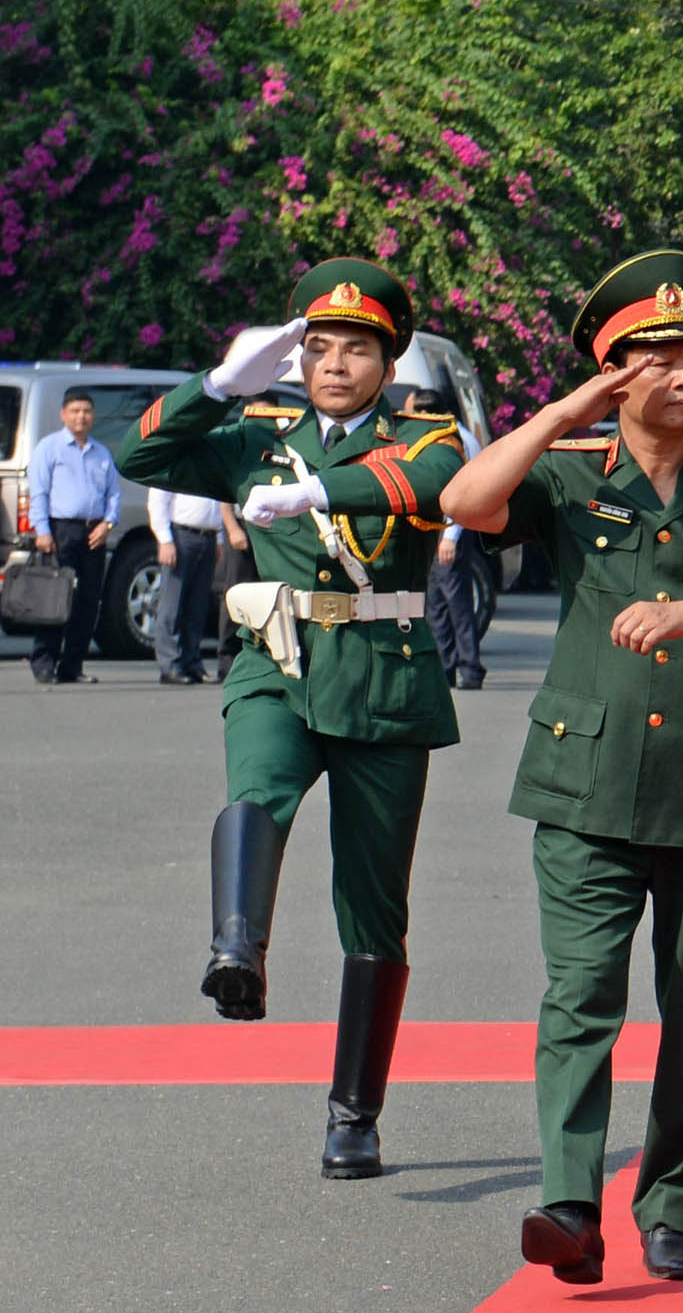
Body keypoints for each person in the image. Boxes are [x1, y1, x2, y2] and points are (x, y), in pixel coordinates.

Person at [440, 250, 683, 1286]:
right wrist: (563, 413)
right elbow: (468, 503)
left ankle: (672, 1208)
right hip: (584, 785)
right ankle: (569, 1201)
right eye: (659, 359)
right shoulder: (565, 476)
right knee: (581, 994)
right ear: (617, 376)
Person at [112, 262, 467, 1176]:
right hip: (276, 659)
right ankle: (238, 950)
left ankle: (354, 1113)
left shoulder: (425, 433)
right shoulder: (256, 432)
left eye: (357, 349)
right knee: (257, 784)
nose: (335, 363)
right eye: (318, 347)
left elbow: (430, 483)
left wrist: (316, 492)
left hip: (383, 679)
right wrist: (220, 385)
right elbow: (138, 458)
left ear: (388, 363)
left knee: (375, 904)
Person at [24, 384, 120, 683]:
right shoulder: (49, 448)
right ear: (63, 415)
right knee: (54, 598)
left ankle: (72, 666)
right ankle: (43, 662)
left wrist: (108, 524)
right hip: (60, 530)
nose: (81, 417)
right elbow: (37, 492)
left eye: (87, 411)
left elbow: (113, 496)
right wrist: (42, 530)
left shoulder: (101, 453)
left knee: (88, 600)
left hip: (94, 532)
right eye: (75, 411)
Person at [405, 387, 493, 689]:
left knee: (457, 602)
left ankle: (470, 667)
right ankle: (445, 666)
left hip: (451, 531)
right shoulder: (445, 436)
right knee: (437, 605)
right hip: (436, 530)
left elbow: (467, 491)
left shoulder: (457, 440)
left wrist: (450, 536)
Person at [147, 479, 230, 684]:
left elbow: (217, 501)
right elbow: (158, 501)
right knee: (172, 603)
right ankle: (170, 663)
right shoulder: (178, 460)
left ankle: (191, 661)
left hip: (208, 535)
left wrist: (219, 539)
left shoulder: (211, 462)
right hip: (182, 533)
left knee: (198, 606)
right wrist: (165, 539)